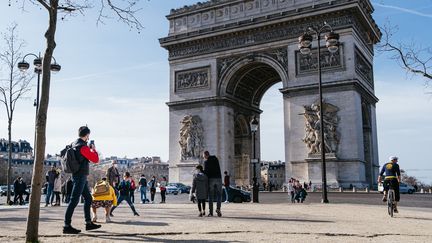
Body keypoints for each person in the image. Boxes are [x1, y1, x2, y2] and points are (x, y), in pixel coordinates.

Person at [63, 126, 101, 234]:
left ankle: (88, 223)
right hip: (80, 176)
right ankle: (66, 225)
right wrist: (93, 149)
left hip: (78, 175)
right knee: (74, 200)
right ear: (87, 135)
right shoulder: (83, 147)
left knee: (88, 199)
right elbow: (95, 159)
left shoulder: (74, 144)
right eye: (88, 135)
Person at [203, 151, 222, 217]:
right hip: (218, 178)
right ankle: (218, 209)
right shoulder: (216, 159)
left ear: (205, 155)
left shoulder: (206, 162)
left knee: (210, 196)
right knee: (219, 195)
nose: (203, 157)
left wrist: (201, 171)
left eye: (204, 156)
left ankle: (211, 212)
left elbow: (206, 172)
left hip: (211, 179)